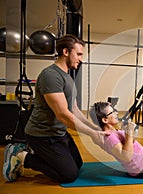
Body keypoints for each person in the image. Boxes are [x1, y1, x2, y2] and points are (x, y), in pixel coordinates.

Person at [2, 34, 108, 183]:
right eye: (78, 54)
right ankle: (20, 156)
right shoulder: (51, 76)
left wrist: (95, 128)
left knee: (78, 164)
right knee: (68, 175)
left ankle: (41, 155)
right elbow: (63, 115)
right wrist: (91, 134)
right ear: (66, 52)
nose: (81, 59)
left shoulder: (68, 77)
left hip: (59, 134)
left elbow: (74, 110)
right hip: (42, 135)